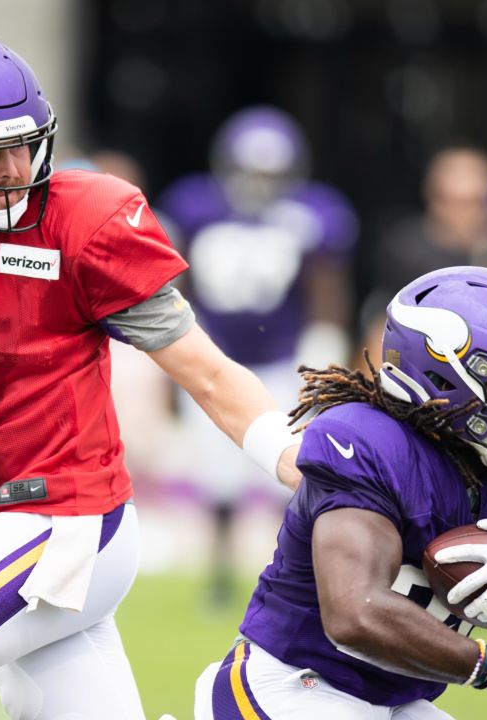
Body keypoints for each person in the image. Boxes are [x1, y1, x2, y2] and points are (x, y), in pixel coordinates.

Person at [0, 35, 303, 720]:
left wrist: (298, 461)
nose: (14, 168)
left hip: (63, 521)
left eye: (25, 144)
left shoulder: (82, 221)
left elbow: (205, 372)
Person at [194, 267, 487, 719]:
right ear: (444, 378)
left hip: (402, 700)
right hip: (295, 683)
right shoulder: (367, 443)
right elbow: (355, 614)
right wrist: (485, 664)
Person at [157, 105, 358, 606]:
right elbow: (174, 279)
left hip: (279, 359)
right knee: (217, 474)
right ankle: (221, 576)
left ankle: (286, 572)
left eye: (269, 173)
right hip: (212, 357)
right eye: (249, 171)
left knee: (285, 467)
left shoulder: (311, 215)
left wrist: (325, 340)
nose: (258, 183)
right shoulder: (195, 207)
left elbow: (326, 283)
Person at [360, 145, 487, 372]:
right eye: (455, 201)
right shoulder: (406, 247)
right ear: (432, 197)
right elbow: (382, 323)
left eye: (476, 202)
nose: (465, 214)